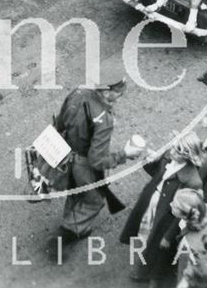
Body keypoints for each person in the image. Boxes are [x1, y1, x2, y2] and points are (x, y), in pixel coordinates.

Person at [55, 78, 146, 241]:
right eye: (118, 92)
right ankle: (66, 233)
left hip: (65, 154)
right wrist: (125, 154)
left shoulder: (78, 92)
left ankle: (72, 220)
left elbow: (60, 122)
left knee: (76, 192)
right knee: (94, 200)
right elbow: (97, 160)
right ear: (106, 91)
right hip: (83, 166)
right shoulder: (104, 120)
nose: (120, 97)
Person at [119, 132, 204, 288]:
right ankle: (141, 269)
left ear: (188, 155)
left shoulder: (193, 181)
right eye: (174, 145)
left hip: (164, 218)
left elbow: (183, 215)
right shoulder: (169, 157)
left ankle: (149, 278)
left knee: (157, 250)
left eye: (178, 149)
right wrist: (149, 160)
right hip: (149, 205)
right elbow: (156, 174)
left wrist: (169, 235)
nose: (172, 150)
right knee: (145, 238)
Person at [165, 189, 207, 287]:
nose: (170, 204)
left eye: (174, 205)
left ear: (185, 214)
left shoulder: (189, 245)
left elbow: (185, 272)